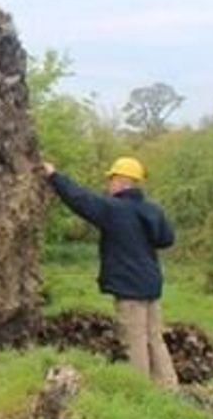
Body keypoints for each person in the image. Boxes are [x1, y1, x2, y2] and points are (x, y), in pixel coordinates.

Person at [41, 157, 179, 387]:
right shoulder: (152, 209)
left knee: (133, 340)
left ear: (121, 181)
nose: (107, 184)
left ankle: (140, 390)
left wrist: (54, 176)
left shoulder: (113, 209)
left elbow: (80, 199)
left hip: (129, 288)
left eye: (110, 179)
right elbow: (167, 239)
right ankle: (168, 386)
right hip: (151, 285)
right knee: (154, 338)